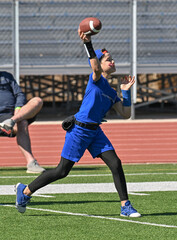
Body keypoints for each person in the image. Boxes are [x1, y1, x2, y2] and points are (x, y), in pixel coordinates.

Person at [15, 29, 141, 217]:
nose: (112, 61)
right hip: (79, 131)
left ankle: (125, 206)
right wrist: (88, 42)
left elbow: (125, 114)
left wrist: (125, 92)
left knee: (115, 163)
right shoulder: (96, 80)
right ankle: (25, 191)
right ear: (99, 64)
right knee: (62, 171)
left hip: (95, 132)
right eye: (108, 59)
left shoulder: (112, 92)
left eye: (112, 59)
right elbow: (95, 68)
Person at [0, 71, 45, 173]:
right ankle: (12, 121)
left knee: (37, 101)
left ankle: (31, 164)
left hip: (13, 115)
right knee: (21, 122)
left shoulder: (7, 76)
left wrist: (18, 109)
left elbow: (19, 94)